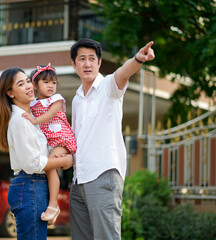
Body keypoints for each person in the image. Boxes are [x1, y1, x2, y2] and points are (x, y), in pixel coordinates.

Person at [69, 38, 155, 239]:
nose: (87, 63)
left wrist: (137, 59)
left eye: (92, 58)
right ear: (74, 64)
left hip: (103, 175)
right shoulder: (76, 99)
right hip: (78, 178)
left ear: (99, 63)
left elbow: (123, 73)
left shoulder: (108, 86)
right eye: (82, 59)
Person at [0, 67, 73, 240]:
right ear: (10, 93)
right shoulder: (20, 121)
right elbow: (32, 164)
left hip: (33, 186)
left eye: (27, 81)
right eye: (20, 84)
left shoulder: (32, 116)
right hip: (30, 185)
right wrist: (69, 159)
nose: (28, 86)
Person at [22, 63, 76, 225]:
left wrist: (35, 120)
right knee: (48, 169)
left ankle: (53, 205)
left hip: (61, 139)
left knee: (50, 167)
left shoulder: (56, 99)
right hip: (47, 143)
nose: (51, 85)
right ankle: (50, 204)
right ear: (35, 85)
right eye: (46, 82)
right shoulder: (32, 104)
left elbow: (51, 114)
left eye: (53, 82)